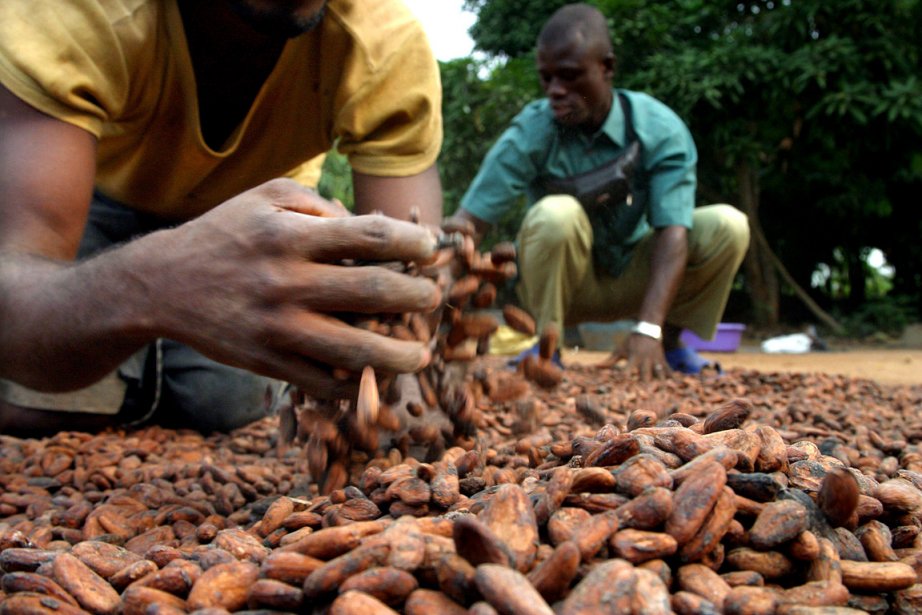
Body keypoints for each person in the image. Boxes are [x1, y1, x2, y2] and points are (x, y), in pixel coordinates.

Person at [0, 0, 445, 434]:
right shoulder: (71, 11)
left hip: (259, 218)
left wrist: (399, 375)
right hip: (93, 195)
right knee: (43, 408)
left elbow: (410, 281)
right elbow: (14, 289)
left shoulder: (385, 42)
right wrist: (153, 285)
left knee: (231, 405)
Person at [450, 3, 750, 381]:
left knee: (728, 225)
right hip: (564, 288)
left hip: (637, 278)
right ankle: (547, 348)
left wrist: (650, 327)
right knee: (556, 213)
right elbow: (468, 224)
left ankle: (669, 344)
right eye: (547, 79)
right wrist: (430, 295)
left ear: (606, 67)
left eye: (570, 76)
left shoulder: (657, 128)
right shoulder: (532, 130)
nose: (556, 91)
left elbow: (674, 232)